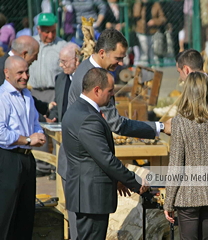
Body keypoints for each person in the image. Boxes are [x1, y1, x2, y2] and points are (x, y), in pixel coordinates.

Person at [66, 28, 170, 238]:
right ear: (102, 52)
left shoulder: (91, 75)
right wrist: (159, 127)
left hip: (86, 176)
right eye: (118, 57)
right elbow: (115, 127)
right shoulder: (90, 85)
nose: (121, 63)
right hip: (88, 182)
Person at [62, 67, 148, 239]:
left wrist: (116, 180)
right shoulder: (88, 118)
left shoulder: (78, 110)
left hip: (87, 193)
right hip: (91, 196)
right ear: (97, 90)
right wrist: (134, 182)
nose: (112, 95)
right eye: (110, 91)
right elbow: (106, 159)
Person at [163, 72, 208, 239]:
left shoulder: (179, 123)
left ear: (187, 93)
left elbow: (176, 166)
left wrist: (168, 202)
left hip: (186, 196)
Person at [0, 56, 46, 239]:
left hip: (27, 159)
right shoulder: (3, 97)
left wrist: (39, 133)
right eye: (20, 72)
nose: (25, 76)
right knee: (6, 215)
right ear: (7, 73)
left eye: (27, 71)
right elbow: (1, 133)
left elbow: (34, 122)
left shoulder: (26, 94)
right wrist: (27, 140)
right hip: (9, 159)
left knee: (25, 216)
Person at [0, 35, 56, 118]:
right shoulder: (3, 67)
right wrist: (40, 119)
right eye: (35, 54)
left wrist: (45, 107)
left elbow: (24, 95)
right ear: (24, 54)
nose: (36, 59)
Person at [29, 12, 67, 104]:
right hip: (33, 93)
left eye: (53, 31)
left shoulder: (63, 46)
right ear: (38, 29)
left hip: (54, 94)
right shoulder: (31, 44)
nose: (50, 35)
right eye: (47, 32)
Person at [49, 42, 80, 122]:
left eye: (64, 61)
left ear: (76, 60)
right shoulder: (60, 79)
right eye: (60, 61)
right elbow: (58, 106)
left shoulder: (86, 78)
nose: (60, 65)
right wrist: (51, 118)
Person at [133, 0, 166, 65]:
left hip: (153, 31)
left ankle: (154, 67)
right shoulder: (138, 4)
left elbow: (163, 18)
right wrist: (140, 3)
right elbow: (136, 14)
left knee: (153, 53)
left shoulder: (156, 4)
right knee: (144, 52)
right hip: (141, 31)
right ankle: (144, 67)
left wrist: (154, 21)